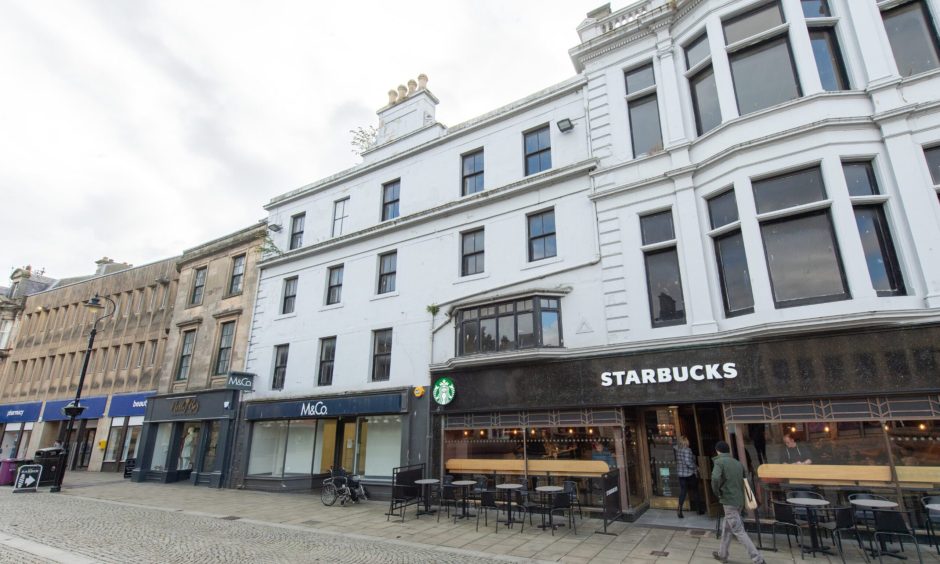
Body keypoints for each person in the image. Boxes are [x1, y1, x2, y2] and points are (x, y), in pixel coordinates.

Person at [711, 440, 765, 564]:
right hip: (739, 500)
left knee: (739, 530)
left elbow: (715, 478)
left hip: (729, 500)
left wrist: (717, 492)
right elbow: (745, 480)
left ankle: (757, 559)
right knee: (727, 528)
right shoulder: (737, 463)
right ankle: (722, 554)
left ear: (717, 451)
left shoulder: (719, 462)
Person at [673, 436, 703, 518]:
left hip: (681, 474)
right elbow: (688, 463)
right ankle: (699, 509)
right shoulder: (687, 450)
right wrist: (696, 467)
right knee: (695, 491)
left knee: (683, 491)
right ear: (686, 442)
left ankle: (679, 509)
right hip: (689, 474)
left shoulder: (677, 450)